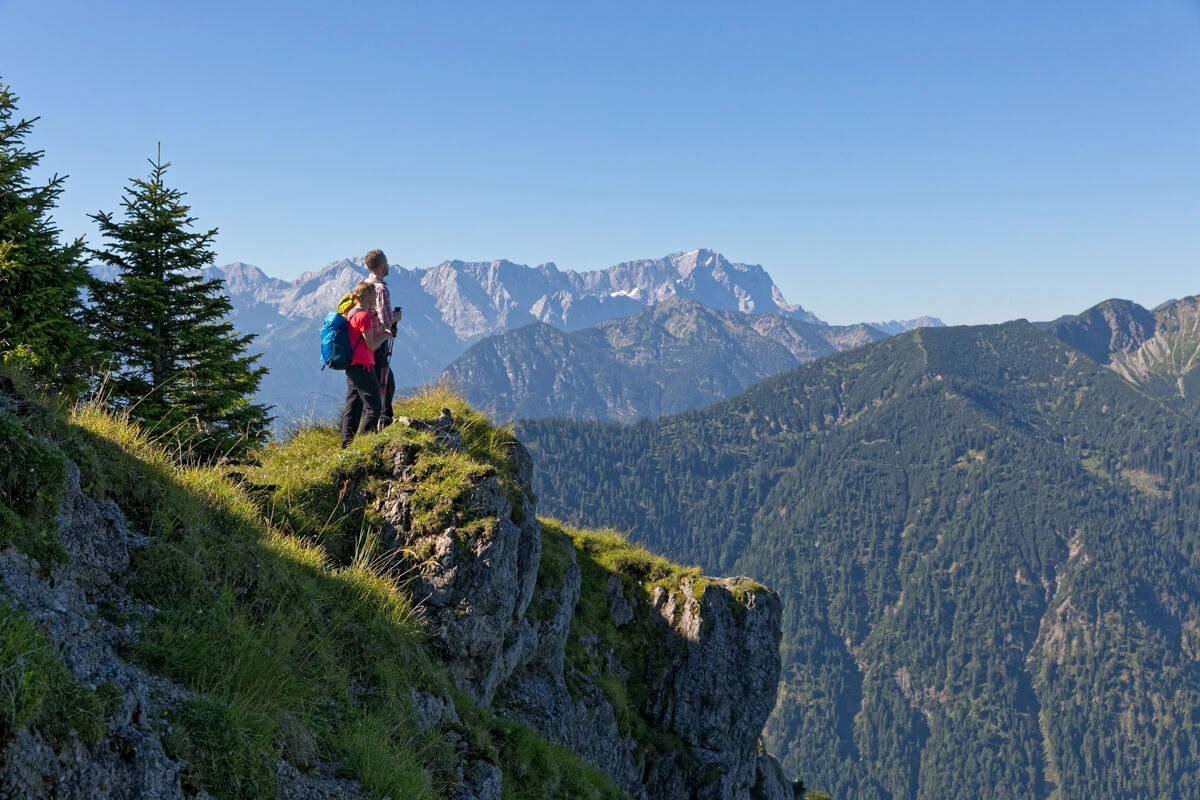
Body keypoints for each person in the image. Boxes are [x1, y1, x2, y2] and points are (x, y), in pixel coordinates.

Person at [340, 281, 393, 448]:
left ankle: (346, 444)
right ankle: (363, 445)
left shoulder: (351, 313)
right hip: (364, 366)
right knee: (375, 408)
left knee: (353, 406)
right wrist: (386, 335)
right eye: (373, 296)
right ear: (365, 295)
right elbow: (371, 345)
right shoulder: (363, 316)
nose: (375, 300)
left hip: (352, 366)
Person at [364, 249, 398, 428]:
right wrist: (396, 318)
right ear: (382, 265)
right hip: (378, 345)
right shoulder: (381, 289)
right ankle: (383, 426)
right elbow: (385, 320)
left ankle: (367, 426)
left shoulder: (363, 285)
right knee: (386, 385)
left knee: (370, 388)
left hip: (364, 345)